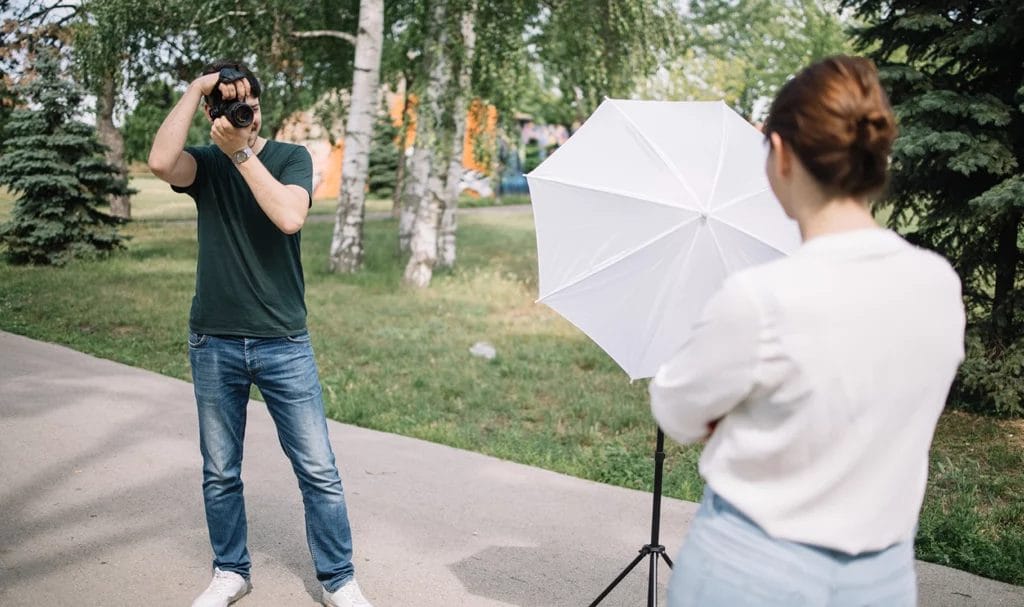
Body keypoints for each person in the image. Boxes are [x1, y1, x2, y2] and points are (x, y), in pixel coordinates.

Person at [650, 55, 965, 606]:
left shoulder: (761, 299)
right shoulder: (939, 285)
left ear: (780, 153)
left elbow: (675, 410)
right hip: (883, 578)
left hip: (750, 571)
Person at [147, 60, 373, 607]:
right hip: (214, 340)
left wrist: (242, 152)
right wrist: (198, 89)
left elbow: (289, 217)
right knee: (220, 471)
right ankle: (231, 571)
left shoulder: (291, 157)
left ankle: (338, 579)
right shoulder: (203, 164)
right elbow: (158, 162)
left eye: (246, 104)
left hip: (282, 342)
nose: (240, 114)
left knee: (318, 469)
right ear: (212, 113)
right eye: (227, 106)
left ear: (261, 107)